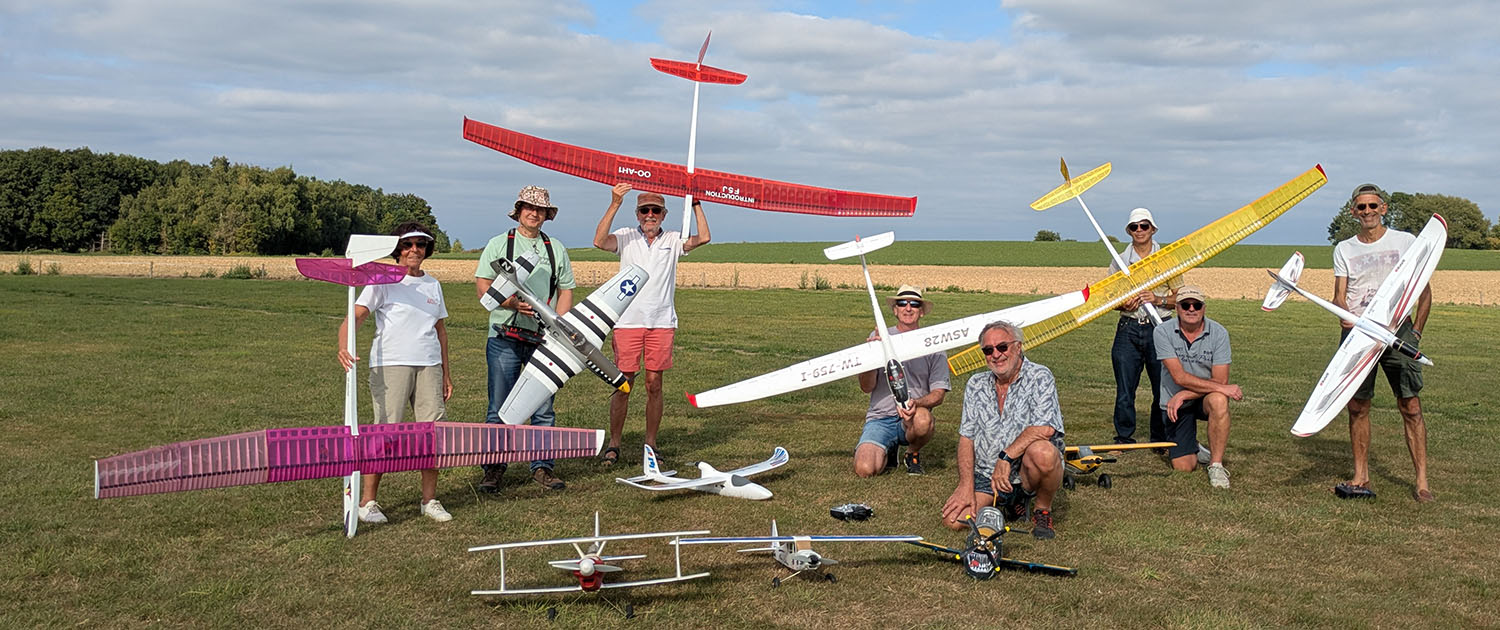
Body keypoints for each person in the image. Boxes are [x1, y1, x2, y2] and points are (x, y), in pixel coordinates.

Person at [337, 222, 453, 523]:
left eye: (420, 244)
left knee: (432, 433)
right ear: (397, 249)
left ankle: (429, 500)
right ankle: (367, 503)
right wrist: (343, 345)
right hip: (390, 364)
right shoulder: (382, 280)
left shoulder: (433, 284)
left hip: (429, 365)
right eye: (407, 244)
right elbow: (356, 316)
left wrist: (446, 373)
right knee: (386, 432)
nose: (414, 250)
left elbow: (440, 330)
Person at [592, 183, 711, 466]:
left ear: (664, 214)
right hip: (627, 322)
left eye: (655, 211)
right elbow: (599, 241)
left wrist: (696, 204)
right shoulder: (625, 237)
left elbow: (704, 237)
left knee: (654, 384)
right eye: (644, 210)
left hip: (661, 321)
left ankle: (651, 444)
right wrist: (615, 203)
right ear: (637, 214)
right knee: (623, 383)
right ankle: (614, 443)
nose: (650, 215)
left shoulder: (673, 239)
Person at [1331, 183, 1433, 502]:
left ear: (1383, 208)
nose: (1368, 212)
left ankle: (1422, 482)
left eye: (1373, 206)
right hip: (1359, 334)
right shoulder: (1344, 249)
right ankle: (1361, 475)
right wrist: (1343, 314)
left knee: (1410, 405)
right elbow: (1339, 296)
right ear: (1353, 212)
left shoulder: (1405, 241)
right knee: (1357, 406)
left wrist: (1416, 331)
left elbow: (1424, 291)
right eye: (1361, 207)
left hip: (1398, 331)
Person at [474, 185, 577, 493]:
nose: (534, 213)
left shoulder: (555, 248)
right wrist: (511, 304)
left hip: (543, 340)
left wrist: (557, 325)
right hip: (503, 335)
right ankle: (494, 468)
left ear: (546, 215)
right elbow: (483, 285)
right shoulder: (498, 244)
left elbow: (566, 290)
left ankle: (542, 466)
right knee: (499, 406)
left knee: (543, 407)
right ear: (519, 211)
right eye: (529, 208)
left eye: (540, 209)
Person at [941, 321, 1064, 540]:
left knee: (1043, 452)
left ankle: (1042, 509)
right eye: (988, 350)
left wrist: (1005, 457)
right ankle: (1009, 503)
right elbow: (966, 438)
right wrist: (965, 485)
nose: (996, 355)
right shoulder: (975, 384)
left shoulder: (1040, 376)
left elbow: (1045, 428)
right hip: (987, 474)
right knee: (954, 520)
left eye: (1002, 347)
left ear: (1018, 347)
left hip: (1024, 472)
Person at [854, 286, 950, 477]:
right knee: (865, 469)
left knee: (923, 420)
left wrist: (916, 404)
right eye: (902, 303)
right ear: (895, 310)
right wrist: (871, 356)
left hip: (912, 417)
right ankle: (888, 450)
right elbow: (866, 387)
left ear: (921, 312)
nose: (908, 308)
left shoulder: (934, 344)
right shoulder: (879, 337)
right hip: (880, 418)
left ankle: (912, 453)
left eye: (914, 304)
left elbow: (938, 394)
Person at [1152, 285, 1241, 488]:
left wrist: (1185, 394)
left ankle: (1216, 466)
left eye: (1197, 305)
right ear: (1177, 308)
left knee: (1219, 400)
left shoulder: (1219, 333)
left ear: (1204, 308)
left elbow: (1221, 381)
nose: (1191, 309)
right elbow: (1179, 377)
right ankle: (1194, 447)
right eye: (1185, 305)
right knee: (1184, 467)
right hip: (1175, 403)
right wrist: (1183, 393)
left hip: (1201, 397)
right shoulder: (1162, 331)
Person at [1108, 208, 1181, 446]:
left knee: (1162, 386)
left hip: (1161, 327)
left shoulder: (1167, 259)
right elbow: (1111, 299)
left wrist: (1158, 299)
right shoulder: (1119, 261)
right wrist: (1123, 304)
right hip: (1128, 328)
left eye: (1144, 226)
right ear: (1129, 231)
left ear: (1153, 229)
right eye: (1134, 227)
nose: (1139, 230)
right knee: (1125, 388)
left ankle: (1159, 439)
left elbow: (1180, 298)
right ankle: (1123, 438)